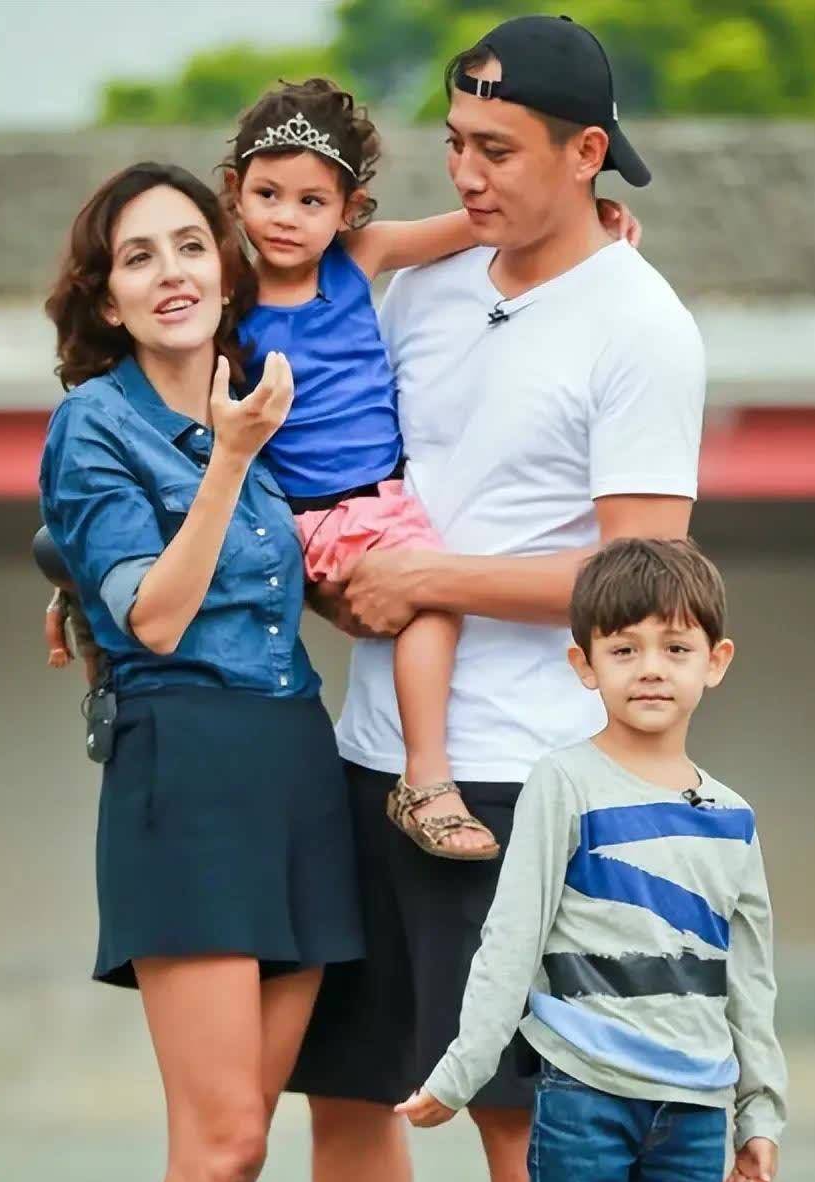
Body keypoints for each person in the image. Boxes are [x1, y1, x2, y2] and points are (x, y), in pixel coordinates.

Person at [287, 16, 707, 1182]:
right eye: (455, 144)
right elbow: (343, 477)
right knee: (348, 1102)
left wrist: (430, 579)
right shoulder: (417, 288)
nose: (465, 174)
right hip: (371, 757)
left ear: (587, 156)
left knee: (526, 1129)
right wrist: (349, 589)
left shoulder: (641, 326)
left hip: (530, 782)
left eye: (498, 151)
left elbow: (644, 576)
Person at [38, 159, 363, 1182]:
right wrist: (227, 459)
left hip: (294, 763)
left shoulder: (264, 393)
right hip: (184, 765)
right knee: (217, 1146)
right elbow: (156, 617)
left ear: (225, 271)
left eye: (188, 245)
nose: (170, 272)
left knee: (236, 1151)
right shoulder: (95, 423)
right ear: (106, 298)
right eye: (137, 257)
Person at [399, 537, 788, 1182]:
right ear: (584, 665)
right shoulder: (564, 783)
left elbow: (749, 978)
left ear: (715, 662)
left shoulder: (733, 816)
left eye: (675, 648)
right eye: (624, 649)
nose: (651, 669)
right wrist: (462, 1070)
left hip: (695, 1110)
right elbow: (512, 936)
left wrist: (759, 1112)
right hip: (584, 1096)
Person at [222, 76, 637, 861]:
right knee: (434, 604)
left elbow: (477, 228)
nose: (285, 217)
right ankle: (427, 777)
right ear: (235, 192)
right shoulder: (227, 303)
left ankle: (417, 769)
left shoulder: (359, 260)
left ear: (349, 210)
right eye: (267, 195)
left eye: (312, 202)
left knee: (427, 593)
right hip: (316, 509)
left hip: (379, 501)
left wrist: (588, 219)